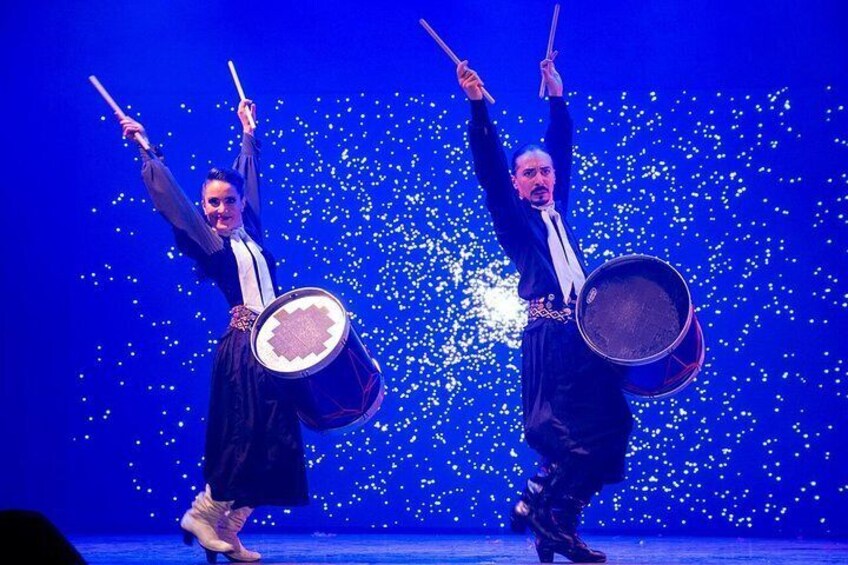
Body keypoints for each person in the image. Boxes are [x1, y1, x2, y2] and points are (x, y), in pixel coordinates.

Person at [458, 55, 633, 563]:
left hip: (585, 339)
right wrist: (477, 109)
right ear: (517, 183)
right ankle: (546, 514)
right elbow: (488, 170)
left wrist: (557, 97)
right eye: (529, 173)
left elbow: (563, 149)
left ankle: (552, 514)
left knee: (613, 427)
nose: (540, 178)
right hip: (549, 337)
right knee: (567, 437)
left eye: (546, 171)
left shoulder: (558, 210)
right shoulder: (516, 223)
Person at [119, 100, 308, 563]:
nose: (222, 209)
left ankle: (231, 527)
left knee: (278, 443)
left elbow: (249, 175)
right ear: (205, 210)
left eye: (229, 200)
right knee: (245, 437)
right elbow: (174, 203)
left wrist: (248, 133)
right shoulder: (210, 241)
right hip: (244, 349)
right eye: (213, 203)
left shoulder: (252, 232)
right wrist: (147, 151)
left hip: (275, 350)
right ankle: (203, 514)